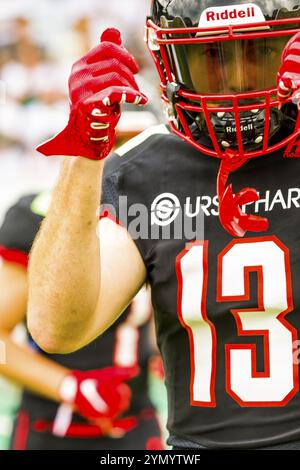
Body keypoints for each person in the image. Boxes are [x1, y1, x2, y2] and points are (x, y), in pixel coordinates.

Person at [28, 0, 300, 449]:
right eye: (211, 59)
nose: (234, 82)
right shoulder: (145, 172)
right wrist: (82, 155)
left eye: (257, 54)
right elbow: (57, 328)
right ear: (171, 61)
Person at [0, 191, 162, 450]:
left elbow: (145, 307)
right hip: (53, 430)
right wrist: (70, 387)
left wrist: (162, 349)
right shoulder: (38, 215)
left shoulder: (151, 206)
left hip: (134, 424)